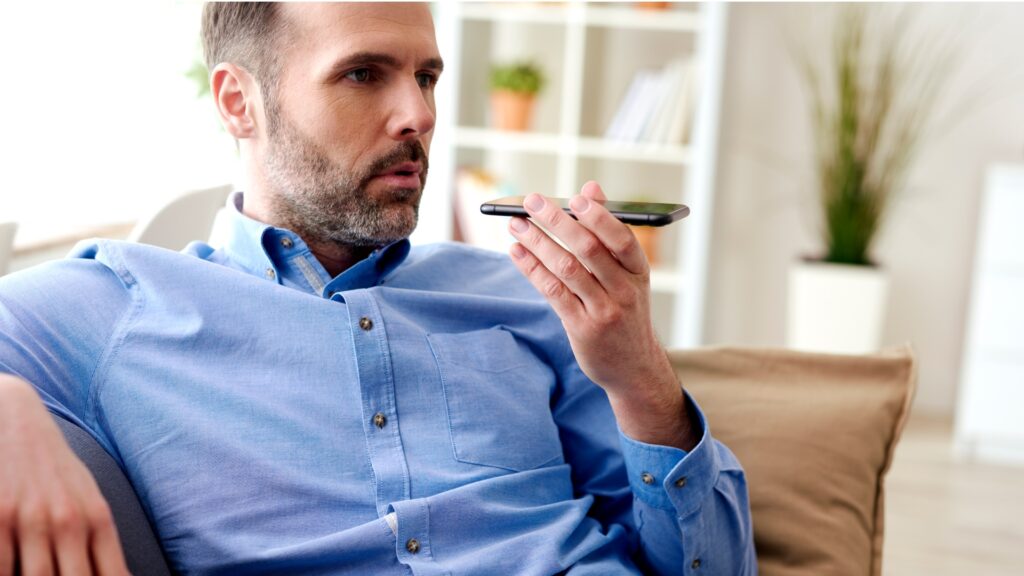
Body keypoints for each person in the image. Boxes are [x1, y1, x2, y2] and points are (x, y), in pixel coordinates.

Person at [0, 3, 755, 575]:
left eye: (426, 77)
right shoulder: (121, 307)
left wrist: (641, 377)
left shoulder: (531, 297)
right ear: (238, 102)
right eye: (364, 74)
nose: (420, 116)